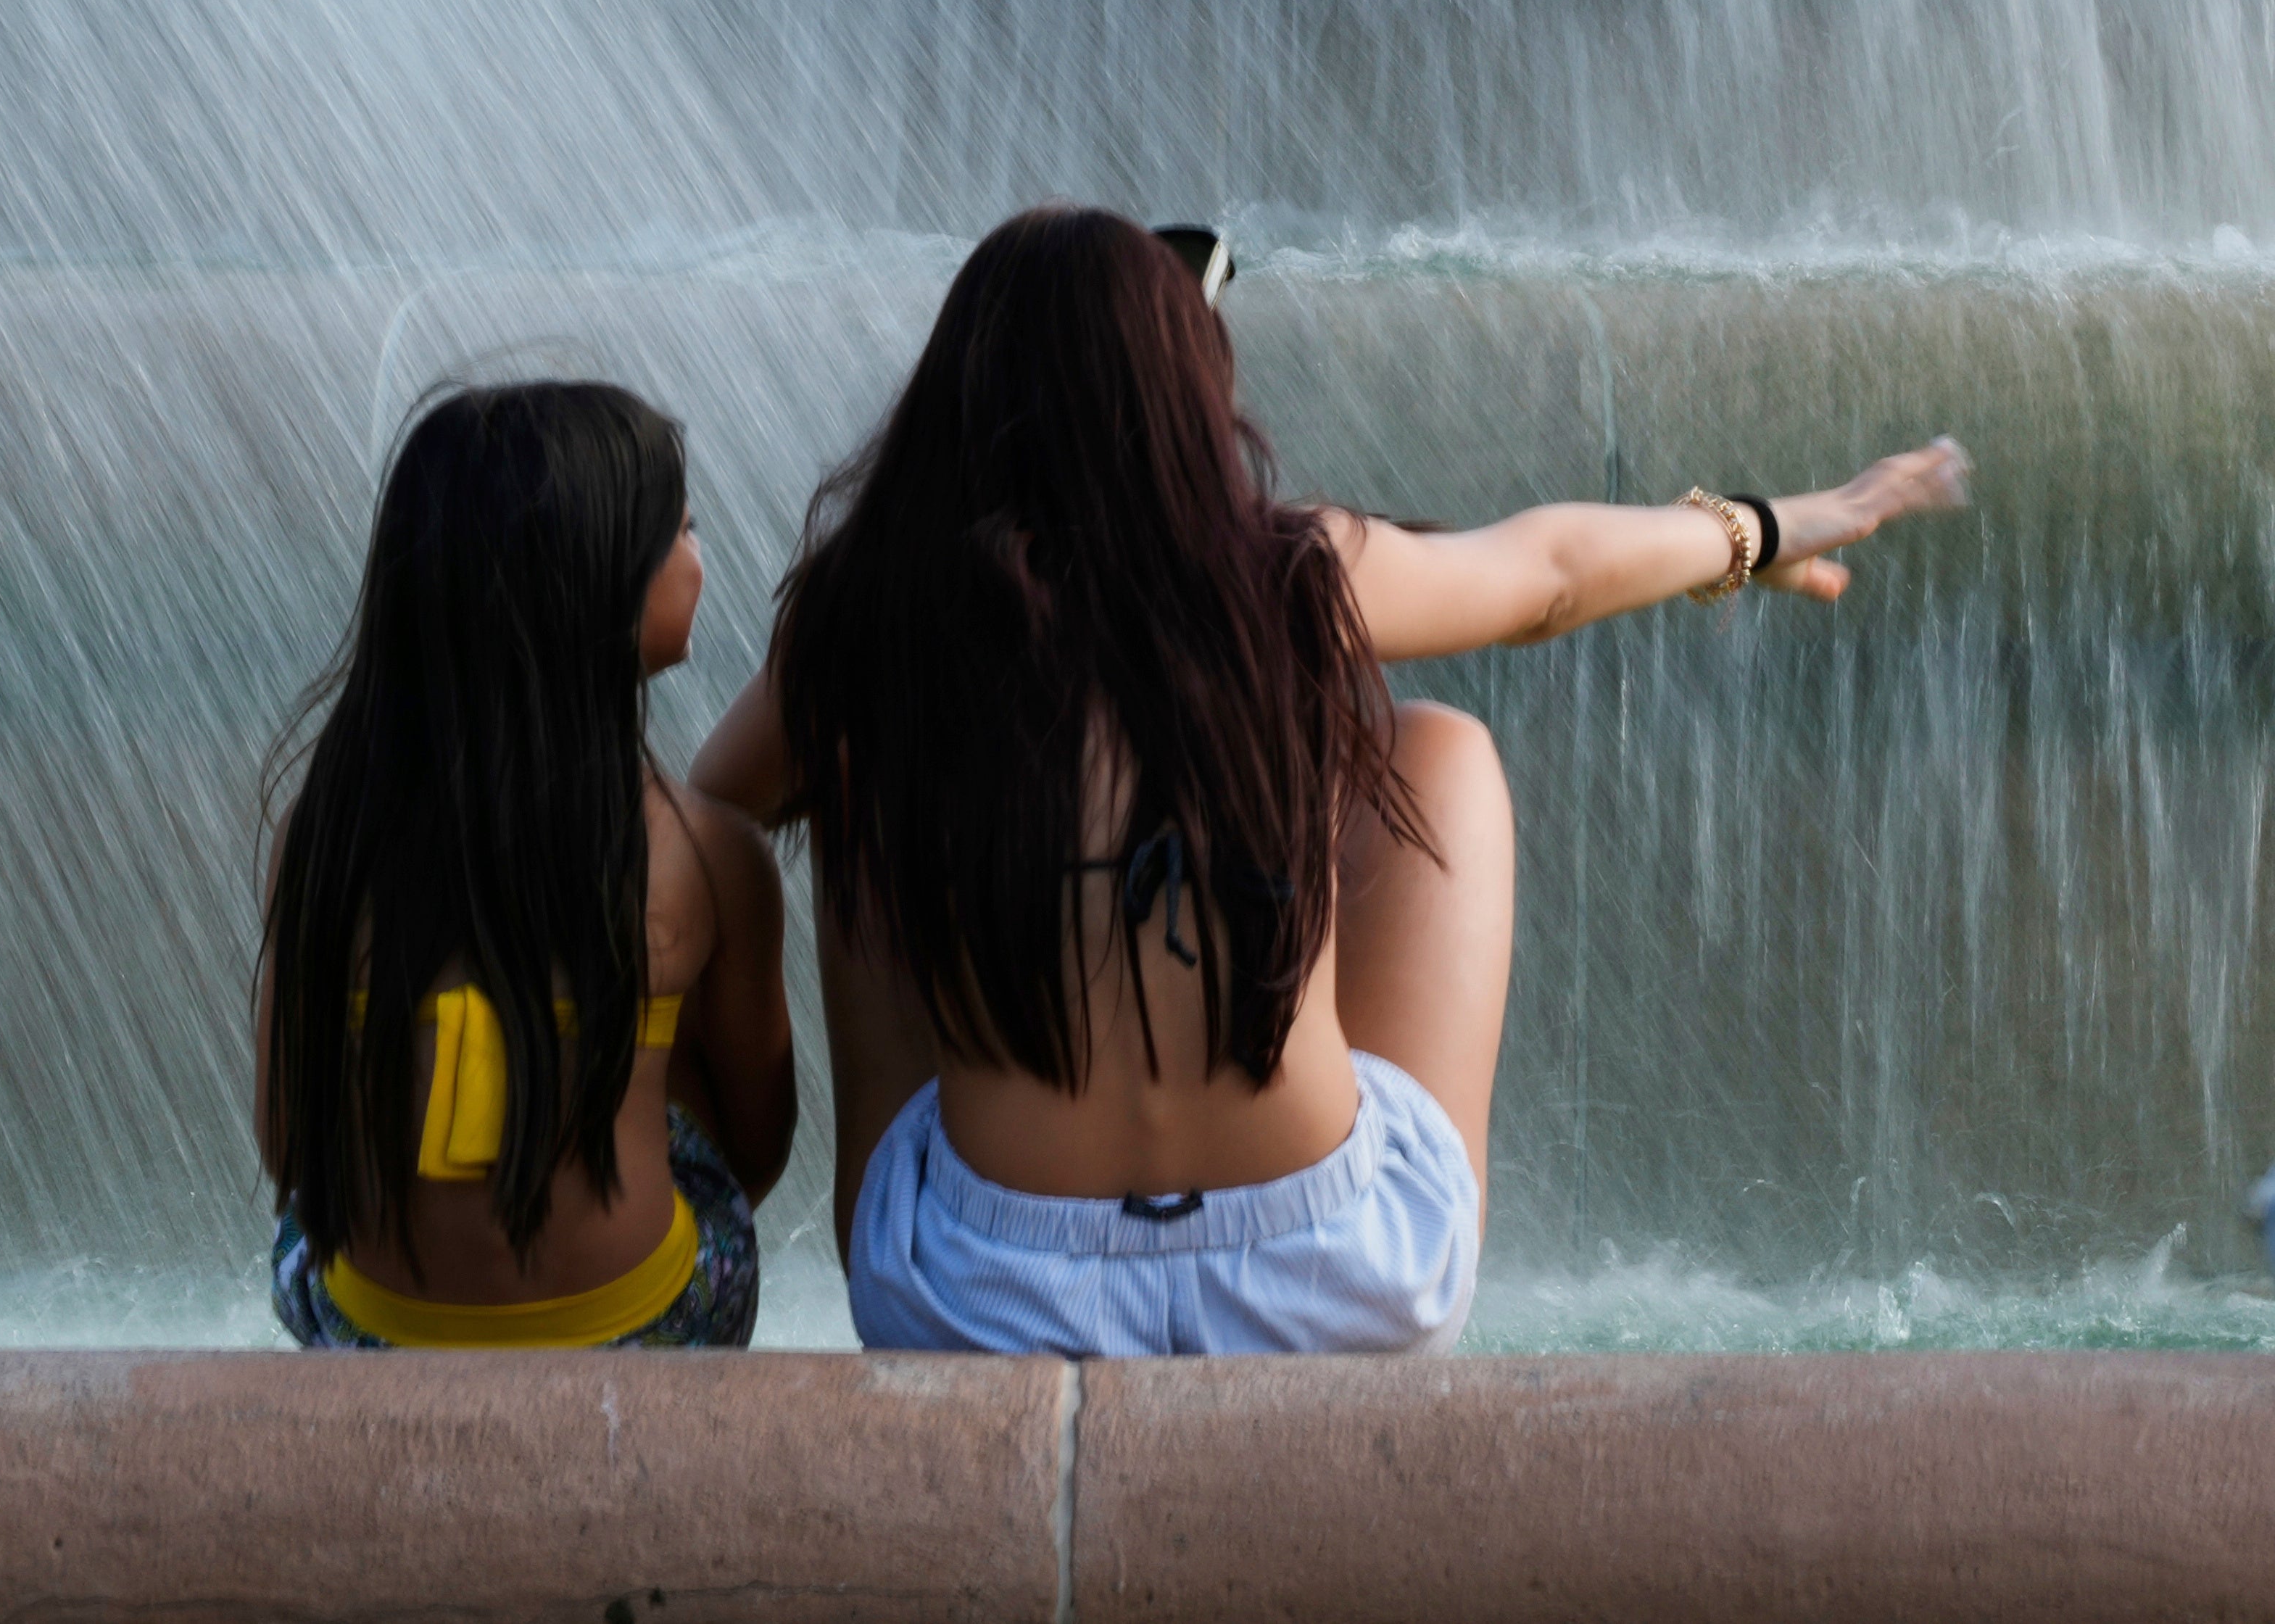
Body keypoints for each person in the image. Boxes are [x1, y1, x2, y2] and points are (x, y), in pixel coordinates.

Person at [687, 208, 1972, 1356]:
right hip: (1335, 1277)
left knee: (855, 781)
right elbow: (1549, 574)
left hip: (973, 1295)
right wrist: (1765, 526)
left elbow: (710, 819)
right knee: (1435, 747)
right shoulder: (1295, 580)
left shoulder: (869, 626)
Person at [258, 382, 800, 1348]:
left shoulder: (321, 832)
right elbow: (755, 1147)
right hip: (630, 1323)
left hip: (376, 1327)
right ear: (599, 585)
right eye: (681, 531)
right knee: (666, 1073)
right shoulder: (710, 853)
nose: (698, 558)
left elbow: (285, 1140)